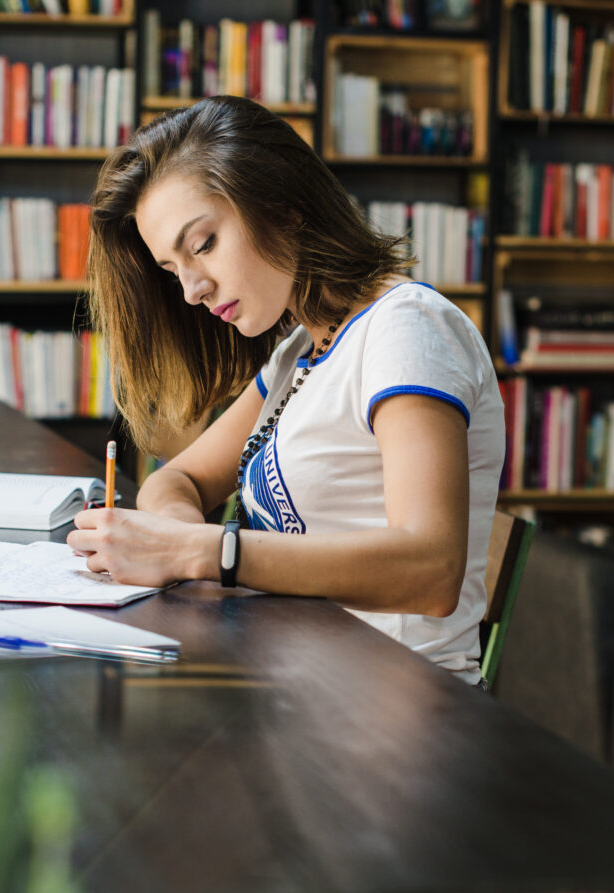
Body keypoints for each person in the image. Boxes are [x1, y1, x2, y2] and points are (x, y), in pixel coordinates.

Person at [69, 96, 505, 685]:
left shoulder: (407, 328)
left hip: (403, 713)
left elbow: (431, 569)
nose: (192, 290)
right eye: (173, 271)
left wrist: (200, 552)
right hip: (293, 687)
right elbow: (178, 480)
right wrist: (179, 535)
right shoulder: (300, 351)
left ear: (285, 206)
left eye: (202, 245)